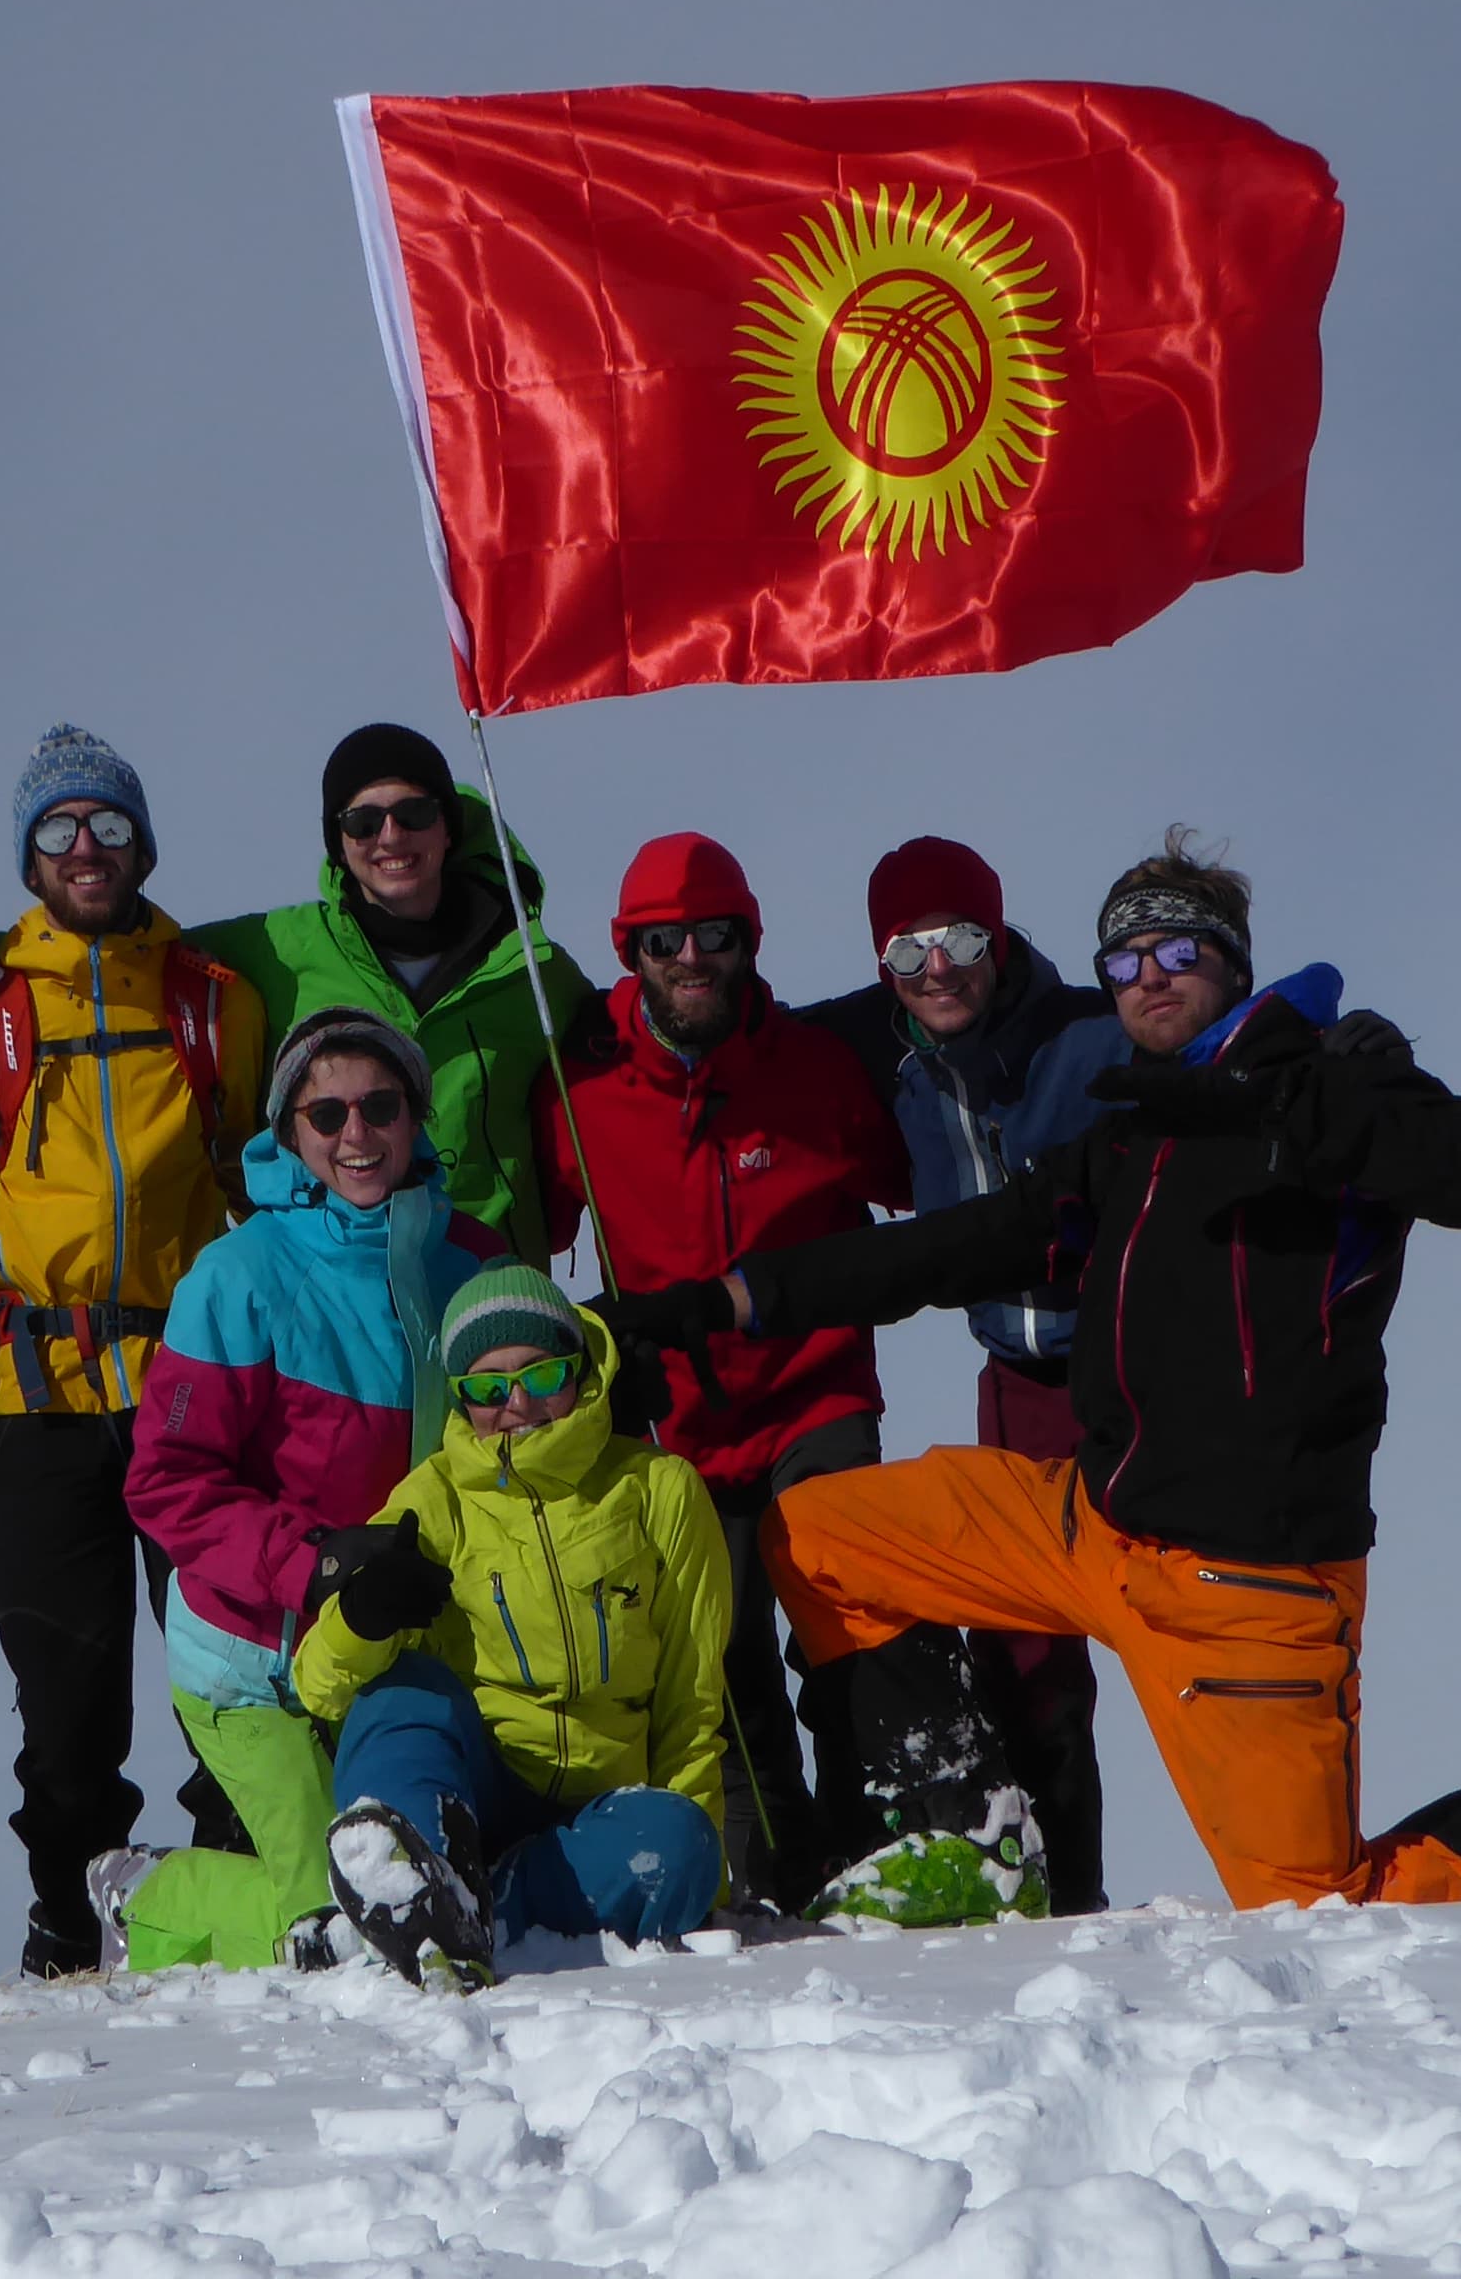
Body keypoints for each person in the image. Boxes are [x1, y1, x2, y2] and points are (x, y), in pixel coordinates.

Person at [602, 829, 1461, 1919]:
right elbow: (940, 1248)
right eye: (1126, 962)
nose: (1149, 978)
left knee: (1314, 1905)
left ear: (1230, 965)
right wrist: (717, 1303)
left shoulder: (1331, 1087)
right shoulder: (1131, 1140)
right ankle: (969, 1829)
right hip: (1089, 1523)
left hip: (1248, 1587)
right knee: (816, 1538)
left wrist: (1308, 1108)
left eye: (1178, 955)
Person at [0, 725, 270, 1977]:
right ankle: (69, 1909)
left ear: (143, 844)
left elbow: (263, 1177)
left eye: (108, 826)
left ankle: (235, 1881)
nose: (85, 849)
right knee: (62, 1683)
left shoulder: (211, 1003)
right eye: (58, 829)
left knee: (226, 1648)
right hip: (41, 1387)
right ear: (28, 858)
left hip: (191, 1377)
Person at [533, 832, 911, 1908]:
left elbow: (929, 1178)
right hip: (682, 1425)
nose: (689, 958)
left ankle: (880, 1839)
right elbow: (526, 1237)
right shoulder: (581, 1089)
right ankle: (776, 1873)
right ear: (629, 953)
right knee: (722, 1651)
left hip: (817, 1392)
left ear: (747, 941)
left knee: (845, 1609)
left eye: (712, 935)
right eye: (663, 941)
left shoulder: (819, 1069)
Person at [102, 1010, 482, 1971]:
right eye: (327, 1115)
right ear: (289, 1133)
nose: (356, 1134)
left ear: (414, 1116)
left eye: (380, 1106)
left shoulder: (469, 1262)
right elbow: (166, 1482)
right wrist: (315, 1562)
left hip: (393, 1644)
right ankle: (151, 1894)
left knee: (429, 1886)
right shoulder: (238, 1276)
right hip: (248, 1655)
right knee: (343, 1911)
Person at [805, 835, 1126, 1914]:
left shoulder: (1091, 1036)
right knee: (1031, 1654)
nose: (937, 966)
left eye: (960, 937)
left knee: (1192, 1609)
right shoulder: (879, 1050)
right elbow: (752, 1047)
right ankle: (1063, 1905)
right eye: (908, 946)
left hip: (1136, 1369)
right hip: (1016, 1380)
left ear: (999, 936)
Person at [290, 1267, 731, 1987]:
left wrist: (701, 1885)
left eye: (542, 1374)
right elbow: (320, 1688)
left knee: (681, 1842)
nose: (517, 1404)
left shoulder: (658, 1489)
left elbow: (692, 1700)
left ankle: (450, 1916)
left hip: (600, 1820)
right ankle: (426, 1879)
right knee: (401, 1693)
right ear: (462, 1399)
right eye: (488, 1388)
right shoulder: (432, 1498)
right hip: (476, 1795)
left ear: (582, 1371)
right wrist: (363, 1620)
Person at [189, 723, 592, 1264]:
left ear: (448, 826)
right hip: (333, 1285)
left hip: (494, 1285)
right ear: (338, 843)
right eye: (362, 822)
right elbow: (147, 958)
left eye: (415, 813)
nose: (391, 836)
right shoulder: (274, 952)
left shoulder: (533, 972)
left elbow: (629, 1049)